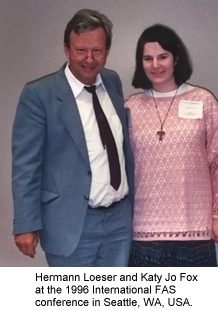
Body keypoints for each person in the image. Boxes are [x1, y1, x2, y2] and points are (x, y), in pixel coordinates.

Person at [12, 9, 134, 267]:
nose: (89, 59)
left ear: (107, 51)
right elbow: (26, 167)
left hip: (118, 221)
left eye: (97, 51)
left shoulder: (111, 82)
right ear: (66, 50)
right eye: (81, 50)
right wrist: (25, 224)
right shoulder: (39, 95)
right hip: (70, 224)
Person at [125, 24, 218, 267]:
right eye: (148, 58)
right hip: (142, 231)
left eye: (163, 56)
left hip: (195, 228)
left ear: (176, 58)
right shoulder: (130, 107)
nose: (156, 65)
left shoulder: (203, 101)